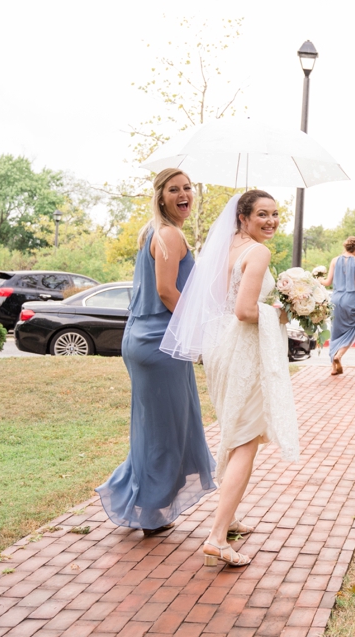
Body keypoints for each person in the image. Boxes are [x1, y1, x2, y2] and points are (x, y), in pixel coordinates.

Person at [162, 190, 300, 567]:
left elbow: (221, 303)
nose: (270, 221)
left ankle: (230, 516)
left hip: (219, 347)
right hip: (242, 350)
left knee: (234, 431)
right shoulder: (258, 253)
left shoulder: (221, 249)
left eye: (275, 214)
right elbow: (244, 310)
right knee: (245, 440)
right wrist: (281, 314)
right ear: (243, 217)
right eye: (262, 214)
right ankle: (217, 536)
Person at [96, 168, 216, 536]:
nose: (183, 195)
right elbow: (166, 292)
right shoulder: (168, 235)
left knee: (154, 430)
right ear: (161, 197)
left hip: (144, 339)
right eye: (174, 190)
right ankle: (150, 512)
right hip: (161, 343)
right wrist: (198, 327)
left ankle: (133, 495)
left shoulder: (152, 232)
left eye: (187, 188)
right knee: (168, 433)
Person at [320, 237, 355, 375]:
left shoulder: (334, 260)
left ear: (345, 246)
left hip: (336, 298)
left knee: (335, 332)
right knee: (351, 330)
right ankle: (339, 355)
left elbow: (327, 282)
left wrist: (318, 279)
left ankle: (333, 367)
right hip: (350, 298)